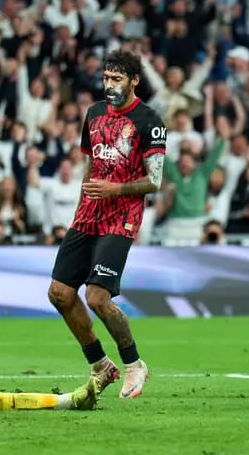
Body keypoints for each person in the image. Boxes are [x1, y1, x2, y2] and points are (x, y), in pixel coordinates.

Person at [47, 50, 167, 399]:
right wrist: (80, 207)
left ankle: (133, 363)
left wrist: (114, 189)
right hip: (88, 214)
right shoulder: (94, 113)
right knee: (59, 293)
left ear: (134, 80)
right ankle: (100, 364)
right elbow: (89, 166)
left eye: (117, 79)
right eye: (106, 78)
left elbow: (155, 180)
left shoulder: (149, 120)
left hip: (122, 217)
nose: (109, 85)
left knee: (97, 297)